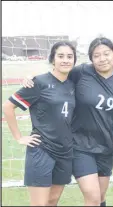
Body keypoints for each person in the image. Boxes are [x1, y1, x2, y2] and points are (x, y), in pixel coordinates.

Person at [21, 37, 113, 206]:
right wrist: (31, 76)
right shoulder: (82, 72)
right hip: (80, 145)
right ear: (91, 58)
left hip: (106, 146)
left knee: (101, 197)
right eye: (97, 55)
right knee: (93, 196)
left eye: (106, 54)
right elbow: (56, 73)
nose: (102, 58)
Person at [2, 41, 77, 206]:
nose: (65, 60)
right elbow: (8, 106)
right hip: (42, 150)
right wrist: (19, 137)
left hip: (65, 151)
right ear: (52, 59)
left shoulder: (73, 84)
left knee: (52, 201)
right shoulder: (39, 83)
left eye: (70, 56)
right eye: (61, 56)